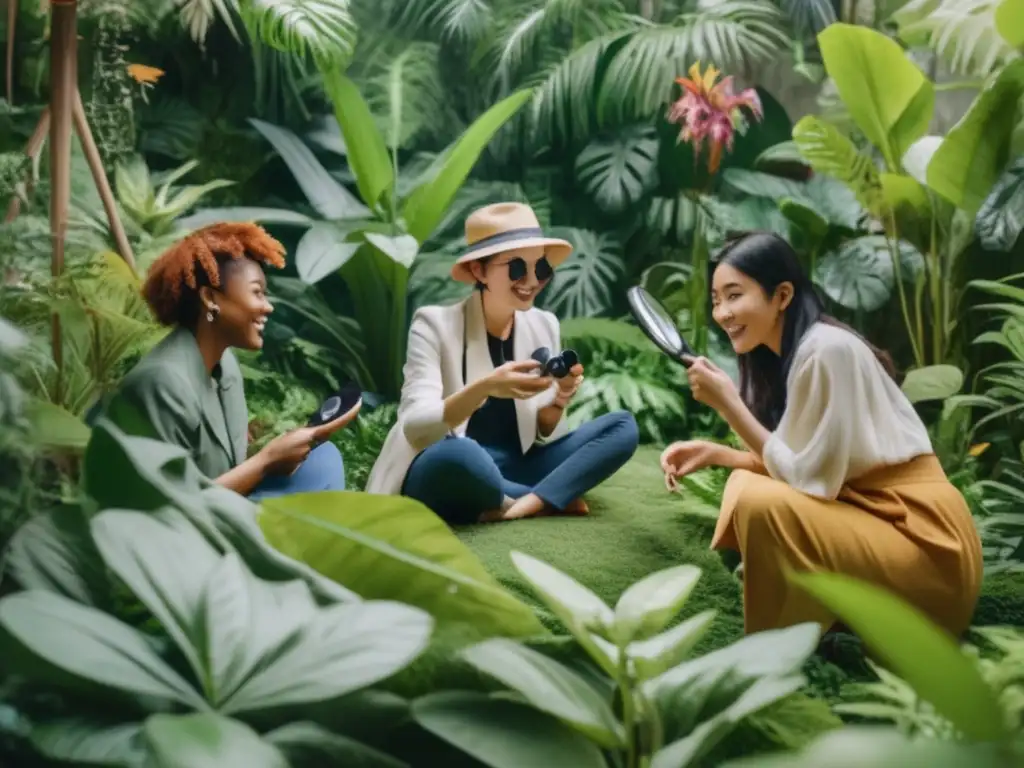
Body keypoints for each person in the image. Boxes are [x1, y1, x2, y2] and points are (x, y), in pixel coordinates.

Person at [659, 232, 983, 638]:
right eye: (716, 300)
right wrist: (718, 454)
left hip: (928, 548)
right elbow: (807, 464)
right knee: (746, 484)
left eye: (735, 295)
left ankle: (782, 642)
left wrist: (728, 405)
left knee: (762, 503)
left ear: (782, 296)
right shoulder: (805, 353)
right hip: (882, 519)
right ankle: (821, 612)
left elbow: (807, 482)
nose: (723, 313)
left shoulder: (827, 351)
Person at [366, 202, 639, 523]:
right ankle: (541, 497)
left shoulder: (543, 324)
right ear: (478, 271)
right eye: (516, 268)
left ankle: (518, 501)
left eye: (541, 268)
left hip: (518, 463)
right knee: (462, 455)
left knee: (622, 426)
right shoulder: (433, 325)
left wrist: (559, 401)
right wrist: (487, 387)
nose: (532, 281)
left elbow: (542, 434)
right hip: (450, 461)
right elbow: (416, 427)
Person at [103, 222, 359, 500]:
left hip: (225, 507)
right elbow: (166, 510)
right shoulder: (160, 383)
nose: (267, 306)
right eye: (257, 292)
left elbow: (227, 464)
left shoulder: (225, 365)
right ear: (210, 299)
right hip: (182, 531)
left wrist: (277, 451)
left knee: (323, 460)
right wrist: (265, 462)